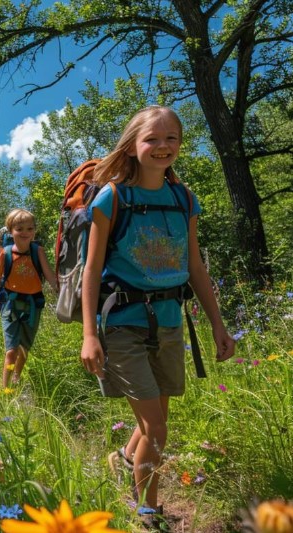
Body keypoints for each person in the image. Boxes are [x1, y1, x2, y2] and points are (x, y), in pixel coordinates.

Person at [79, 106, 235, 528]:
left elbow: (195, 267)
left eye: (172, 139)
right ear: (132, 145)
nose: (163, 146)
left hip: (167, 321)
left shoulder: (184, 199)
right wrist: (89, 334)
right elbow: (92, 269)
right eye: (152, 139)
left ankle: (124, 459)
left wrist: (218, 324)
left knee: (156, 421)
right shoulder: (112, 197)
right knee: (156, 427)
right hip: (122, 324)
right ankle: (148, 509)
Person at [0, 211, 57, 386]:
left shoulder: (39, 251)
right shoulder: (4, 254)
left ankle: (16, 377)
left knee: (24, 348)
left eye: (30, 228)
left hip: (33, 305)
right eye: (19, 228)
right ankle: (5, 388)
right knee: (11, 350)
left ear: (35, 231)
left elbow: (50, 277)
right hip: (10, 305)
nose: (25, 232)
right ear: (10, 231)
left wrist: (63, 294)